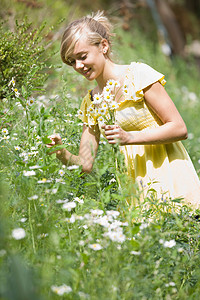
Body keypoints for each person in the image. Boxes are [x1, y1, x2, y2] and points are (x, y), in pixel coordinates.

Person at [47, 11, 200, 209]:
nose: (78, 66)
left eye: (82, 57)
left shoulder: (139, 76)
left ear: (103, 45)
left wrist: (129, 138)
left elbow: (179, 128)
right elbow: (86, 164)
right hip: (138, 195)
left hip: (175, 184)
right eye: (71, 61)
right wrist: (61, 153)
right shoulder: (91, 101)